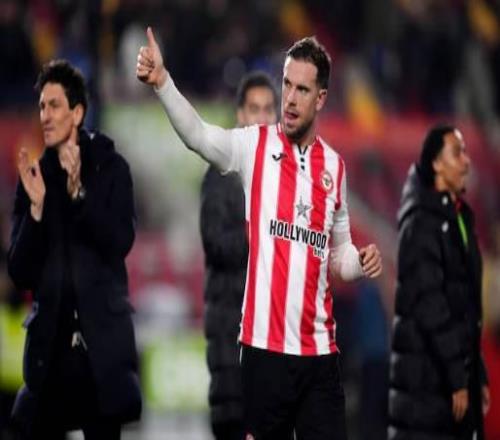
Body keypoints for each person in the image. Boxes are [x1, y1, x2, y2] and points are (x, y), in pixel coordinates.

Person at [137, 28, 382, 440]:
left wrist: (359, 262)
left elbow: (338, 256)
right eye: (287, 84)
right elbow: (198, 136)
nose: (290, 98)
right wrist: (163, 82)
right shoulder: (255, 147)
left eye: (302, 89)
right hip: (264, 354)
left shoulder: (334, 168)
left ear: (321, 98)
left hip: (320, 353)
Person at [8, 60, 141, 439]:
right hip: (50, 354)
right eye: (41, 106)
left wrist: (80, 195)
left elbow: (120, 242)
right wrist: (35, 212)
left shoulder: (112, 169)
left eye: (54, 105)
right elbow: (19, 272)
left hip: (102, 355)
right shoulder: (35, 178)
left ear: (78, 113)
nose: (44, 116)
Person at [389, 125, 490, 439]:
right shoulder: (420, 223)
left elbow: (465, 308)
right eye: (457, 153)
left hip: (449, 380)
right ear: (436, 163)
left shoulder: (458, 217)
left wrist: (476, 375)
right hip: (427, 387)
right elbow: (431, 306)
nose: (467, 161)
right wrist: (458, 378)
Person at [200, 72, 278, 440]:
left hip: (276, 343)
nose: (262, 118)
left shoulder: (287, 174)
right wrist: (256, 230)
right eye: (254, 109)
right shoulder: (221, 171)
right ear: (240, 115)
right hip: (234, 340)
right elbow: (215, 243)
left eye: (268, 109)